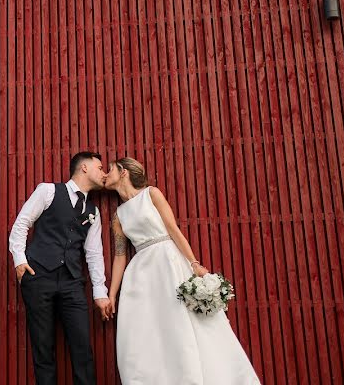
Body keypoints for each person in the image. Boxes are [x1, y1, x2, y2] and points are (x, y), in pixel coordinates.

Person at [104, 157, 261, 384]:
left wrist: (194, 263)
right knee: (149, 329)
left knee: (181, 320)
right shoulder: (118, 217)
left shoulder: (152, 194)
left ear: (123, 171)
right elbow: (120, 256)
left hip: (169, 261)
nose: (106, 175)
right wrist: (112, 294)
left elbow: (172, 229)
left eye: (110, 170)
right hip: (141, 273)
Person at [9, 151, 111, 385]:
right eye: (100, 166)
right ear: (84, 167)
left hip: (72, 283)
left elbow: (94, 254)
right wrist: (20, 261)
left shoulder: (93, 212)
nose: (103, 172)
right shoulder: (48, 190)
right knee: (43, 349)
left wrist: (100, 293)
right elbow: (22, 222)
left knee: (82, 348)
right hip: (38, 277)